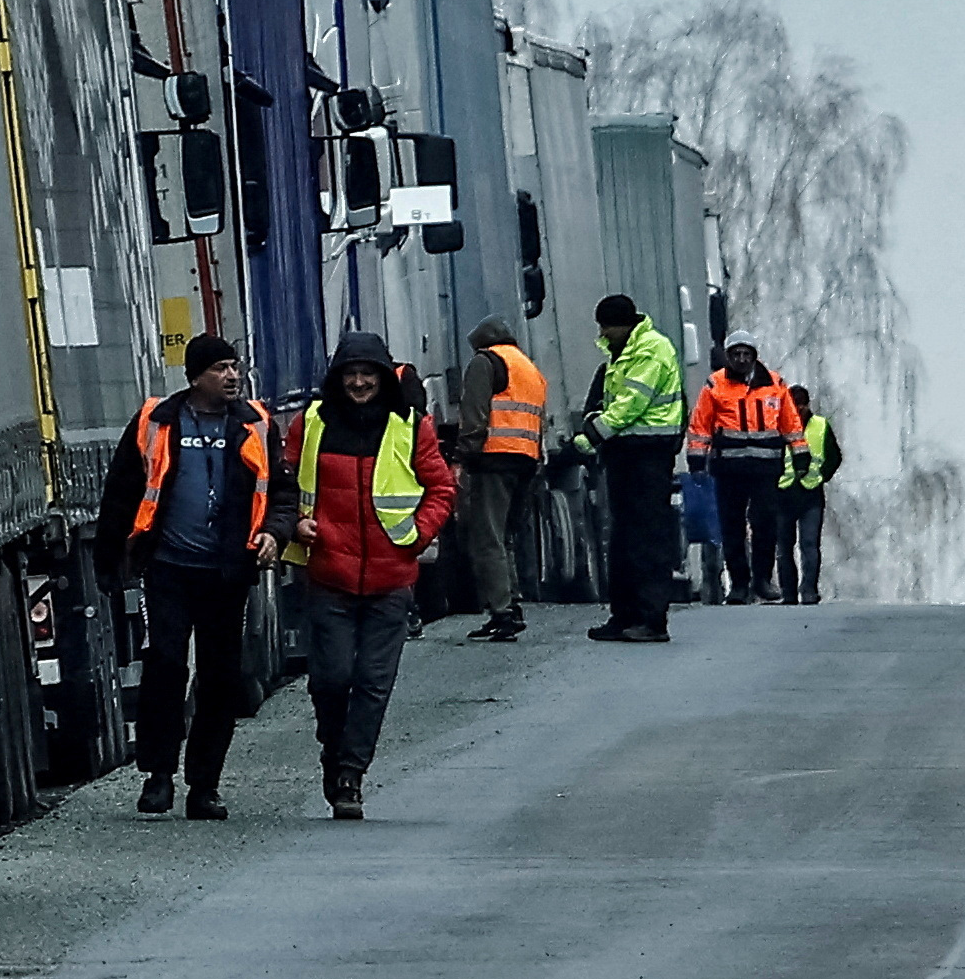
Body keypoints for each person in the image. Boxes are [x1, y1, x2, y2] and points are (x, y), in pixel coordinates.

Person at [93, 333, 270, 819]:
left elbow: (282, 489)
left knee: (219, 678)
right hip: (169, 567)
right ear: (195, 377)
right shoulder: (157, 420)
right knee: (166, 666)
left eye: (235, 367)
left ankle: (205, 785)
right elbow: (122, 491)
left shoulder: (254, 423)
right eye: (220, 369)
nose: (232, 376)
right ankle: (157, 777)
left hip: (227, 572)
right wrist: (110, 561)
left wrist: (274, 531)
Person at [284, 328, 459, 817]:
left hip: (391, 579)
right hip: (328, 575)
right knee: (332, 679)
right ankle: (333, 754)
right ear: (337, 378)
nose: (360, 382)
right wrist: (295, 524)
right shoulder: (311, 424)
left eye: (368, 374)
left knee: (373, 682)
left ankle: (350, 776)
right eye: (351, 373)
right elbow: (282, 483)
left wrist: (414, 537)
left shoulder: (411, 425)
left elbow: (441, 490)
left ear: (384, 377)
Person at [567, 292, 687, 643]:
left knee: (647, 537)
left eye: (606, 327)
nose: (602, 335)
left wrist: (591, 436)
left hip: (648, 454)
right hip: (627, 453)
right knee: (622, 537)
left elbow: (631, 404)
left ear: (623, 324)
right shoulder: (624, 354)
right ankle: (624, 615)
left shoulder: (651, 349)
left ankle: (651, 618)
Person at [450, 315, 546, 643]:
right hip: (525, 460)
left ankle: (503, 612)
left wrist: (463, 457)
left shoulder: (485, 362)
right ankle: (509, 604)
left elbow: (474, 414)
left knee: (487, 537)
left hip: (493, 458)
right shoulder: (527, 367)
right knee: (504, 537)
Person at [693, 337, 799, 602]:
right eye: (736, 354)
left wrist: (801, 452)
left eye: (746, 353)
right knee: (732, 527)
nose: (741, 359)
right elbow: (701, 424)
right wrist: (696, 459)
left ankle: (762, 580)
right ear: (729, 356)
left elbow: (790, 422)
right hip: (729, 468)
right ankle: (739, 584)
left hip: (766, 467)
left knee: (765, 524)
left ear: (754, 355)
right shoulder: (715, 384)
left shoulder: (775, 383)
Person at [775, 384, 840, 604]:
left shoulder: (820, 426)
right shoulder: (776, 427)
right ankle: (788, 593)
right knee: (784, 548)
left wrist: (821, 476)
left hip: (810, 494)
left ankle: (809, 590)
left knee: (809, 545)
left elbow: (834, 457)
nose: (798, 411)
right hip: (783, 493)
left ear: (807, 405)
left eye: (800, 407)